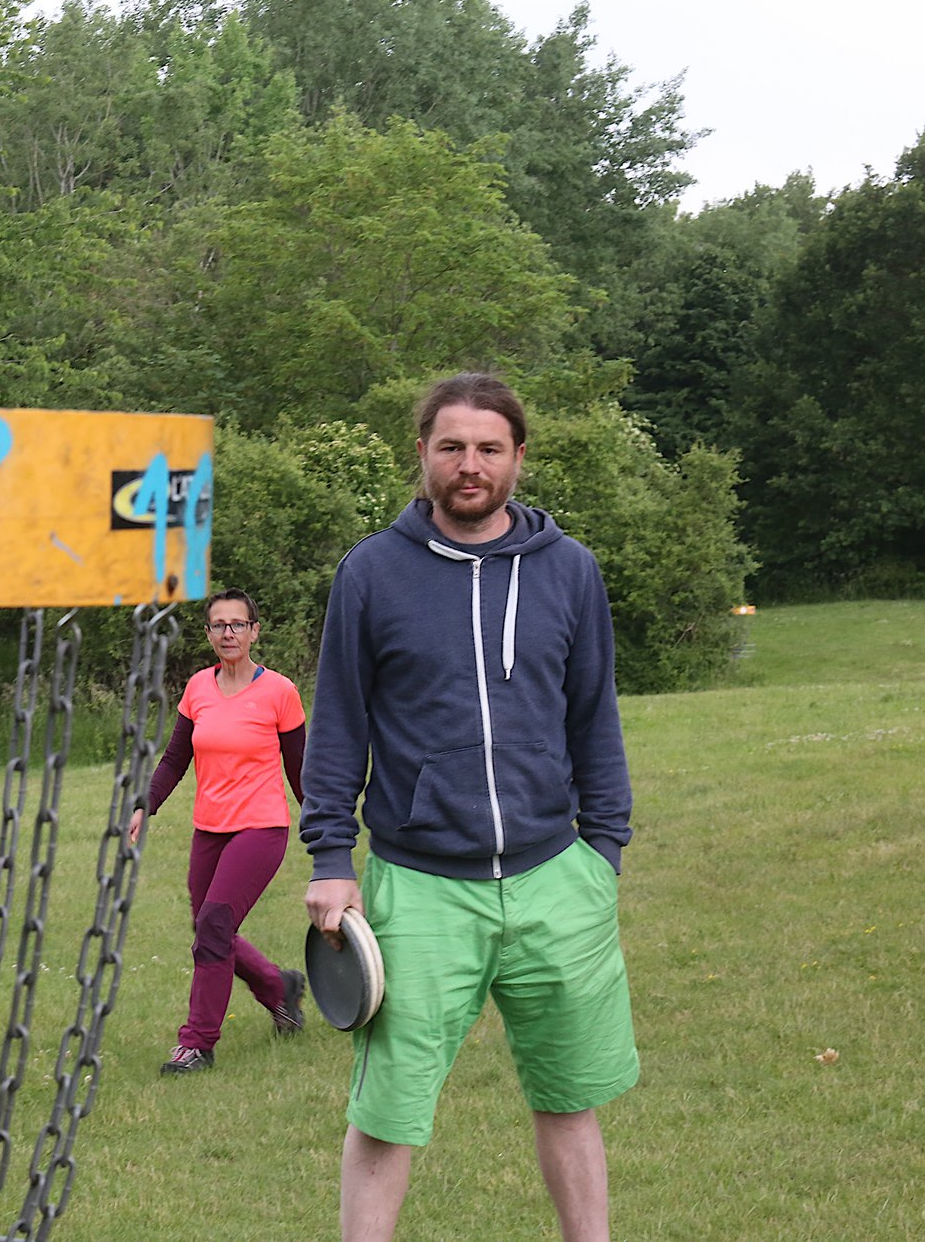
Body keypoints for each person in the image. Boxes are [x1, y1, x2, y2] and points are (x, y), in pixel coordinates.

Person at [299, 373, 638, 1241]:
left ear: (518, 457)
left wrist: (603, 853)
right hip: (421, 886)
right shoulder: (371, 573)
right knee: (389, 1109)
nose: (469, 464)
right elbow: (338, 722)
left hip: (555, 877)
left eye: (489, 447)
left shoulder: (570, 571)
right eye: (451, 447)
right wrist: (331, 859)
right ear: (423, 455)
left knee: (570, 1096)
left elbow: (593, 714)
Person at [131, 589, 309, 1075]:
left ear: (254, 631)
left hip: (261, 827)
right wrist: (143, 804)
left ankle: (197, 1044)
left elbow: (299, 769)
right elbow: (174, 759)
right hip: (209, 828)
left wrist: (323, 823)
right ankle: (279, 988)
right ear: (208, 634)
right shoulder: (197, 689)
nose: (228, 633)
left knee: (213, 926)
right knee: (212, 929)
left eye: (237, 624)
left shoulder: (280, 692)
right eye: (218, 625)